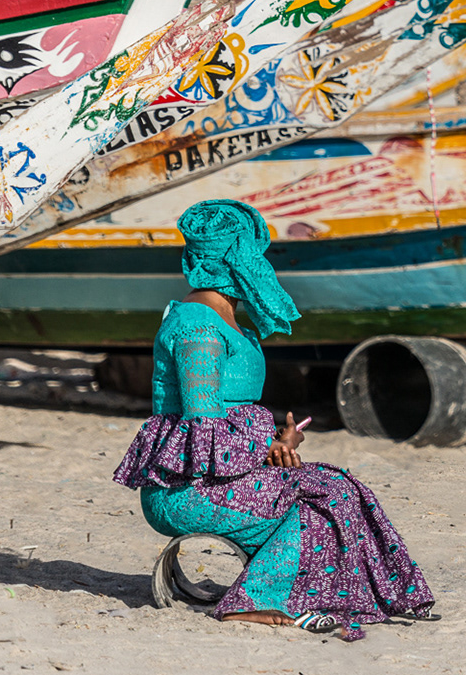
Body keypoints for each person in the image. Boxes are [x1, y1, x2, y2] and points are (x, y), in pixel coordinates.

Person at [112, 199, 434, 638]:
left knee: (340, 486)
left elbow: (223, 430)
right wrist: (266, 449)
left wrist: (276, 444)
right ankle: (254, 603)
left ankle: (378, 595)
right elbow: (201, 425)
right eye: (252, 255)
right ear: (234, 259)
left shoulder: (227, 319)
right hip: (188, 490)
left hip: (222, 475)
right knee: (316, 503)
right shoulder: (197, 328)